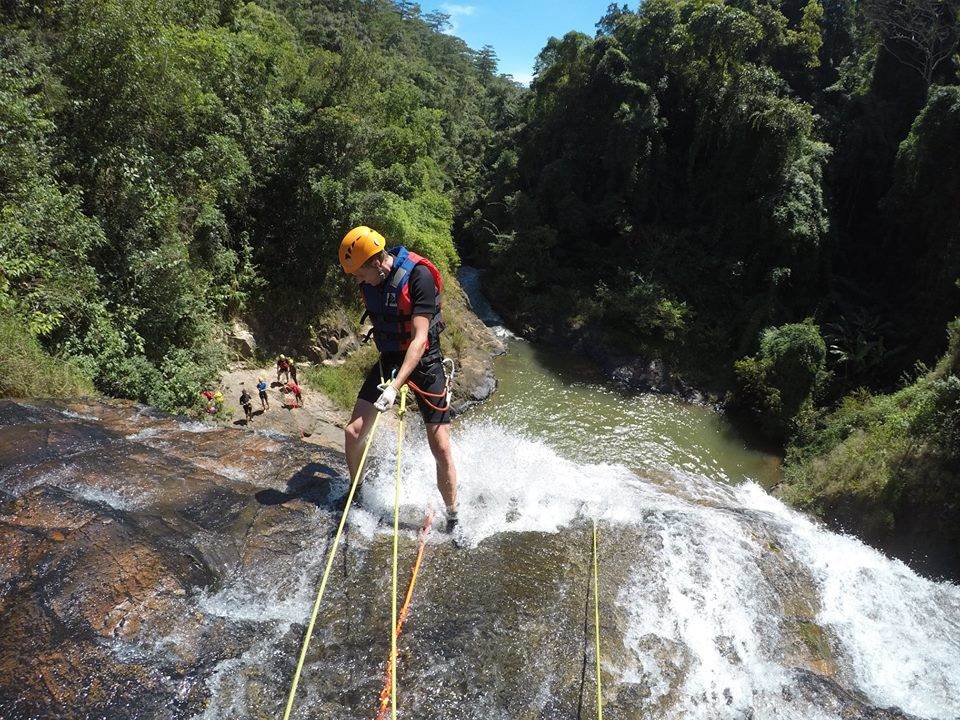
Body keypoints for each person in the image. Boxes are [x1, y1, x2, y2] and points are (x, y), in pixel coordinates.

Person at [338, 225, 459, 533]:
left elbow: (419, 341)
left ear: (376, 263)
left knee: (441, 445)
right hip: (391, 358)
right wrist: (390, 379)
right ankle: (357, 490)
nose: (357, 280)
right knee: (353, 434)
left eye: (359, 273)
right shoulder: (371, 280)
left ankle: (453, 513)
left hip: (425, 360)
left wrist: (394, 387)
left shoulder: (419, 276)